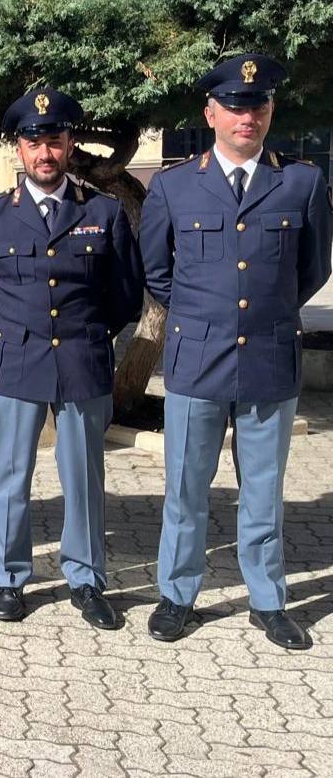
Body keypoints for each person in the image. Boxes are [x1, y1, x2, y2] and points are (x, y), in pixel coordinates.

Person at [141, 54, 333, 650]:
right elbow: (157, 272)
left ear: (271, 111)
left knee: (263, 489)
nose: (246, 116)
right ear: (211, 112)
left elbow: (312, 269)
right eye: (235, 105)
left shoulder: (301, 183)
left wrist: (266, 311)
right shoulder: (174, 186)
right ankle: (177, 594)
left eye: (258, 105)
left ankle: (268, 599)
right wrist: (207, 316)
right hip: (197, 361)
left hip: (270, 361)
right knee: (187, 487)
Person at [0, 89, 145, 629]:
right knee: (11, 475)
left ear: (70, 145)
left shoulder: (104, 212)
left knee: (84, 475)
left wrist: (89, 335)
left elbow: (125, 296)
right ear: (19, 148)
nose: (45, 152)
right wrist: (7, 336)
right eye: (34, 142)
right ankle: (10, 578)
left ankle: (86, 578)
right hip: (15, 364)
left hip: (84, 364)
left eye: (56, 141)